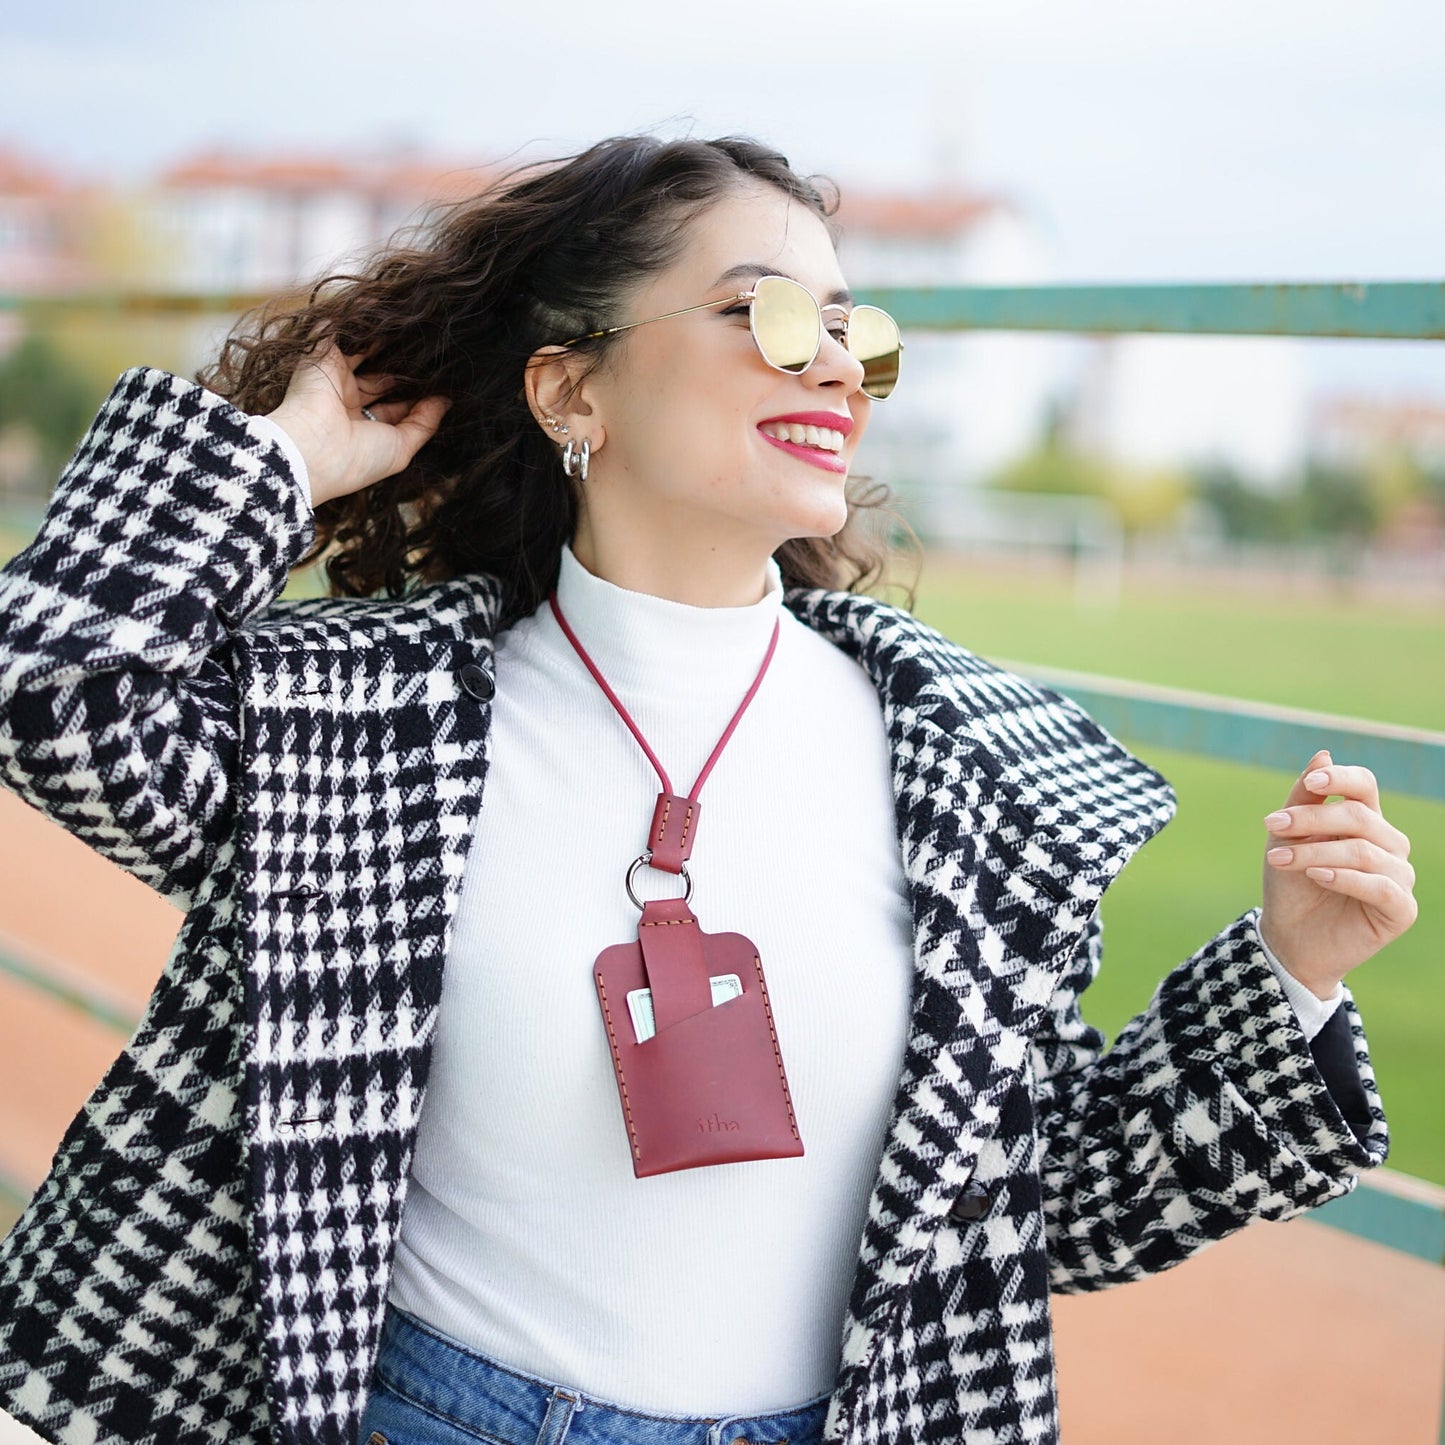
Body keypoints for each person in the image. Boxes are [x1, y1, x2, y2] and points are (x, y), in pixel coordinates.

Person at [0, 134, 1414, 1445]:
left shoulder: (981, 770)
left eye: (857, 330)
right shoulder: (361, 716)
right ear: (571, 388)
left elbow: (1049, 1205)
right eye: (772, 316)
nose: (840, 370)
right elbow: (52, 690)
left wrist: (1289, 969)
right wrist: (292, 457)